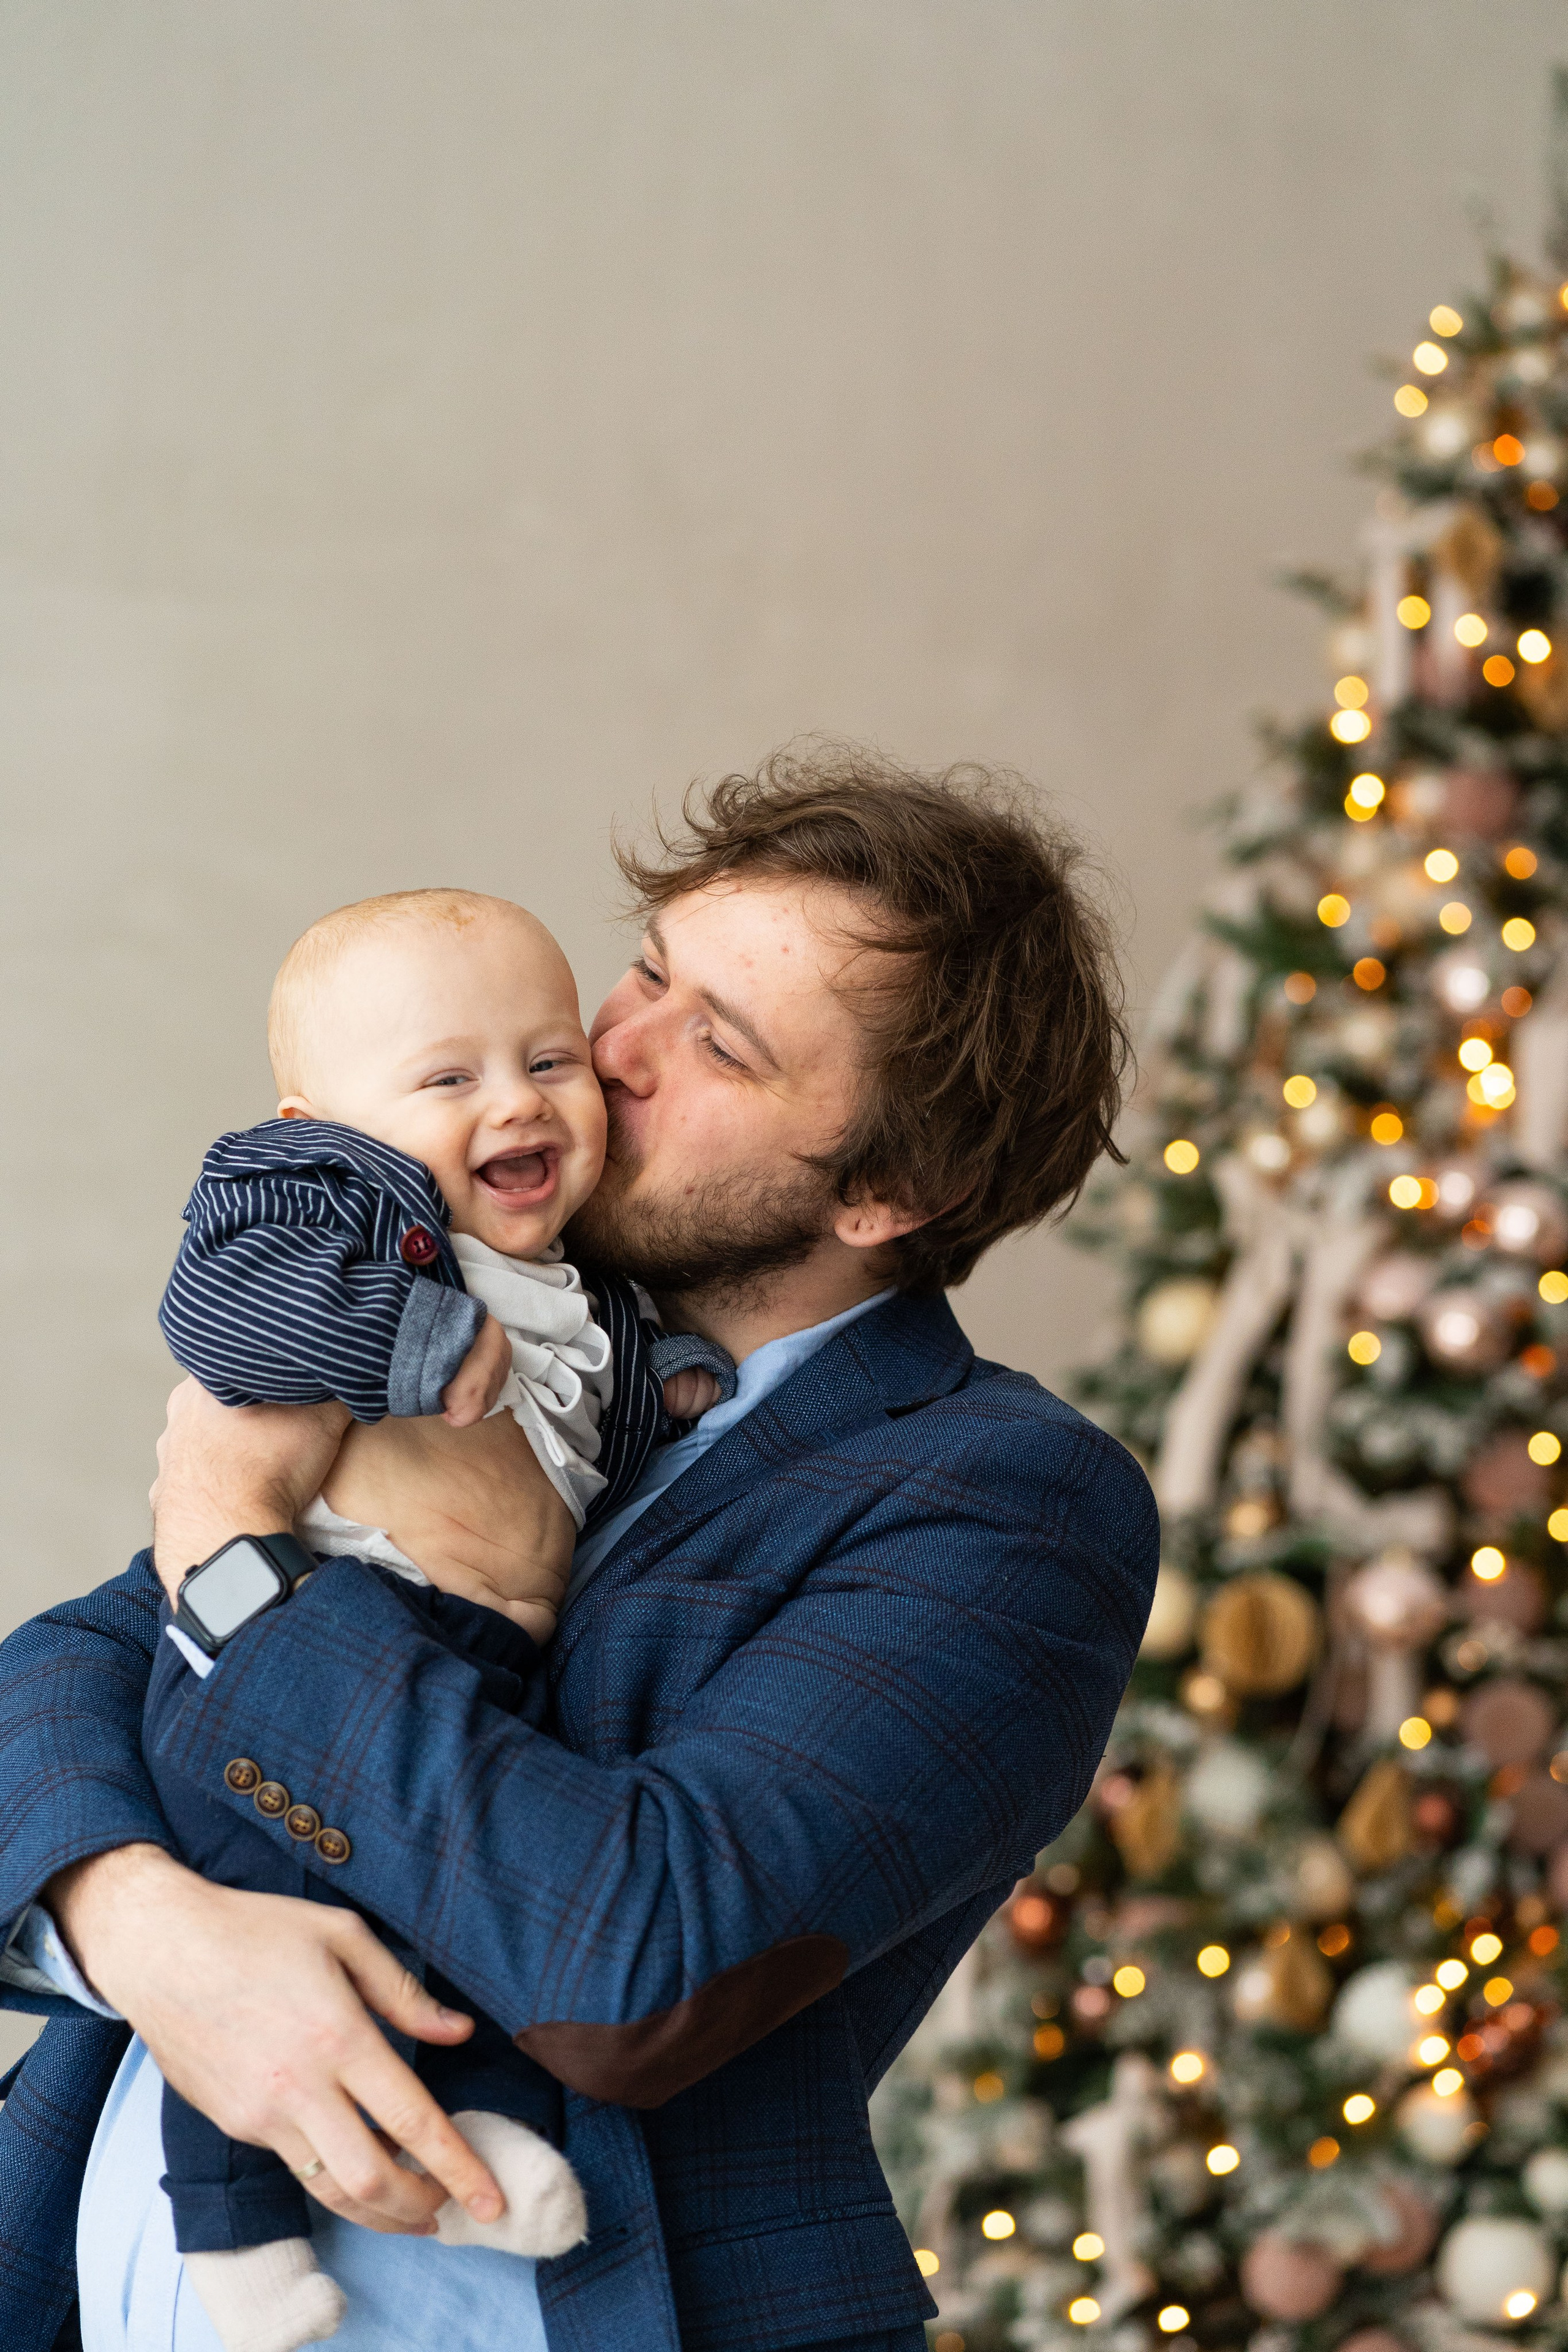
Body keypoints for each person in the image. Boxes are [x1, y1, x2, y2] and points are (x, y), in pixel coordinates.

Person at [0, 747, 1159, 2352]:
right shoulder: (479, 1318)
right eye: (645, 976)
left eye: (719, 1044)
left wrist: (224, 1532)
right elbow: (69, 1672)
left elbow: (634, 1953)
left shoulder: (1007, 1504)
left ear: (895, 1186)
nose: (603, 1060)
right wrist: (144, 1929)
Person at [146, 888, 734, 2352]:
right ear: (317, 1121)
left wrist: (667, 1393)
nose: (519, 1102)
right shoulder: (326, 1209)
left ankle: (468, 2140)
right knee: (277, 1936)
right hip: (321, 1633)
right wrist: (409, 1347)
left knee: (438, 1942)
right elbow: (227, 1314)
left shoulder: (575, 1274)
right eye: (448, 1077)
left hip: (480, 1670)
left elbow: (586, 1388)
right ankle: (232, 2230)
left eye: (548, 1059)